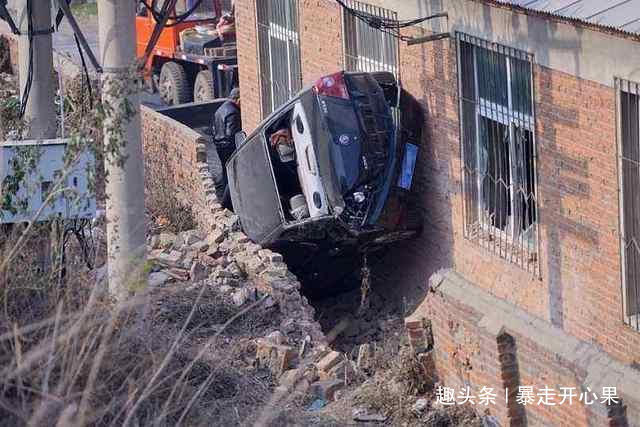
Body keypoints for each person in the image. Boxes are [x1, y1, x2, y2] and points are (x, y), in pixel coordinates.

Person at [211, 87, 241, 206]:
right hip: (228, 147)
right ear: (237, 99)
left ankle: (223, 195)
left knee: (225, 171)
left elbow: (213, 129)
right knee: (232, 173)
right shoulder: (233, 111)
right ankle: (227, 201)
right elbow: (231, 133)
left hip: (219, 146)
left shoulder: (220, 109)